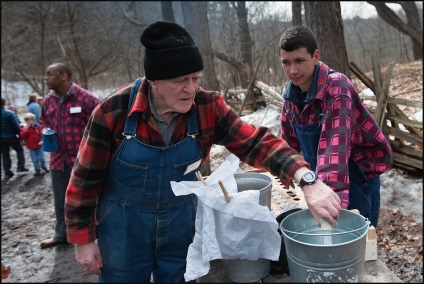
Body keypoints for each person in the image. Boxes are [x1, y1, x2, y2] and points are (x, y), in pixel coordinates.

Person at [65, 21, 342, 283]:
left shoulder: (206, 107)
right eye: (180, 80)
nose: (191, 89)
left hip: (179, 224)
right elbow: (83, 180)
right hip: (124, 227)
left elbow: (254, 142)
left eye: (195, 78)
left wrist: (306, 178)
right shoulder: (113, 111)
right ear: (154, 80)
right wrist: (83, 240)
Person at [278, 26, 392, 228]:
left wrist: (328, 208)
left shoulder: (336, 87)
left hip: (355, 178)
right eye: (286, 63)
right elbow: (289, 147)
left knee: (358, 245)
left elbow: (334, 152)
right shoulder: (291, 98)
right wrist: (293, 180)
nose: (292, 70)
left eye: (299, 61)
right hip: (322, 179)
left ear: (316, 56)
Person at [39, 62, 100, 249]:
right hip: (58, 161)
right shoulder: (47, 101)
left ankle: (94, 236)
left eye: (50, 74)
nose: (46, 78)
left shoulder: (87, 99)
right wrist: (45, 131)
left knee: (89, 200)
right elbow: (42, 121)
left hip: (84, 162)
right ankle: (61, 235)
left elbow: (101, 127)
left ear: (63, 75)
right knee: (60, 201)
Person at [1, 98, 29, 179]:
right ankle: (20, 166)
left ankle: (7, 172)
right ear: (4, 104)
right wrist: (21, 137)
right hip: (11, 136)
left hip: (1, 139)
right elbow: (16, 126)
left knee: (5, 155)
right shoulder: (9, 114)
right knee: (19, 150)